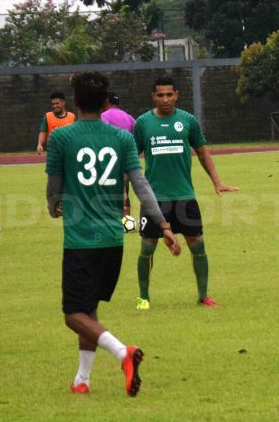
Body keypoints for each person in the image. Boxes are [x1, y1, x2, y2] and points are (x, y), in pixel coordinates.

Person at [46, 71, 181, 396]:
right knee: (89, 309)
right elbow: (140, 184)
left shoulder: (61, 138)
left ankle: (125, 354)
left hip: (80, 241)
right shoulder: (121, 138)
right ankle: (82, 379)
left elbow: (53, 195)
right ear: (105, 102)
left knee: (73, 314)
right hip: (113, 240)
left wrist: (54, 206)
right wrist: (163, 225)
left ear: (75, 101)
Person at [133, 76, 239, 310]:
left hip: (184, 196)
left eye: (169, 94)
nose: (165, 99)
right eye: (160, 95)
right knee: (148, 246)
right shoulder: (143, 123)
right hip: (154, 197)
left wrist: (217, 181)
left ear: (177, 95)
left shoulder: (188, 121)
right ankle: (143, 297)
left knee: (197, 244)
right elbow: (132, 159)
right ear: (153, 96)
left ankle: (203, 296)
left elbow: (202, 152)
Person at [101, 92, 136, 216]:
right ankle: (127, 219)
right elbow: (136, 135)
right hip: (127, 158)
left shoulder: (104, 116)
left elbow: (103, 137)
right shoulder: (129, 117)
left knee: (114, 191)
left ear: (106, 101)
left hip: (112, 159)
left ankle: (116, 218)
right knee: (125, 188)